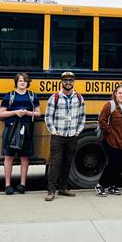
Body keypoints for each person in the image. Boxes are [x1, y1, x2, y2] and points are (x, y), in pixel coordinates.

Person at [44, 71, 85, 201]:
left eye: (70, 81)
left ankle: (63, 188)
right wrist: (53, 131)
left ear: (73, 82)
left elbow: (82, 116)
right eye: (65, 81)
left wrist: (78, 131)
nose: (68, 83)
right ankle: (51, 191)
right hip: (58, 135)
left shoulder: (79, 97)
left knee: (68, 163)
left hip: (72, 135)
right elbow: (48, 116)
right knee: (55, 164)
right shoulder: (55, 97)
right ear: (61, 82)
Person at [0, 73, 40, 195]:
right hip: (11, 129)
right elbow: (1, 114)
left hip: (26, 129)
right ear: (16, 82)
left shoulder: (32, 96)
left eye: (25, 81)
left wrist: (27, 113)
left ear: (28, 83)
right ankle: (7, 185)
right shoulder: (9, 96)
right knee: (9, 157)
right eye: (20, 80)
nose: (22, 83)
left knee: (24, 157)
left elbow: (38, 113)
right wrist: (15, 112)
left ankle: (22, 184)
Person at [95, 85, 122, 197]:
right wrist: (110, 132)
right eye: (120, 93)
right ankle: (100, 185)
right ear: (115, 94)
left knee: (119, 164)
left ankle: (112, 186)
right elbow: (102, 121)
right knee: (112, 164)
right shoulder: (109, 105)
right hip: (111, 140)